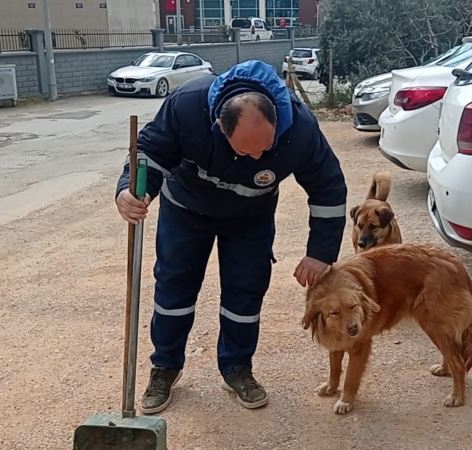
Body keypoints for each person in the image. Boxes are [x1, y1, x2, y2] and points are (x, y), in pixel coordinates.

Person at [115, 60, 347, 413]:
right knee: (173, 289)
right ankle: (165, 366)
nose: (257, 156)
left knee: (246, 291)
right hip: (186, 209)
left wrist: (320, 252)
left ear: (277, 122)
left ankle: (237, 367)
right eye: (245, 150)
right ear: (219, 127)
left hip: (250, 217)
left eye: (265, 148)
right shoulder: (187, 105)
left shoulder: (299, 129)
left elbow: (328, 186)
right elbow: (150, 151)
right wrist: (132, 191)